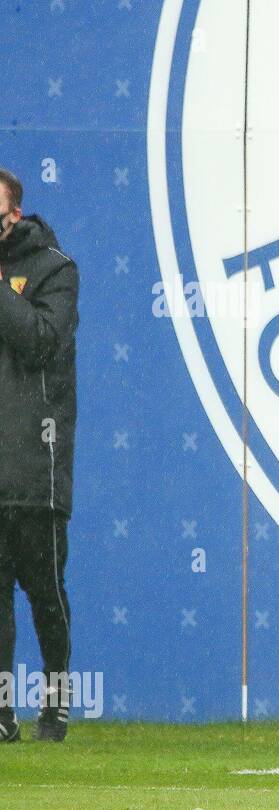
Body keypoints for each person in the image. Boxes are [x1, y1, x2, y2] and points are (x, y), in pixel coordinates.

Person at [0, 168, 79, 744]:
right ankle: (3, 714)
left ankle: (54, 706)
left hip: (35, 467)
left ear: (16, 216)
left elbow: (39, 342)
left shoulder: (56, 269)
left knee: (45, 593)